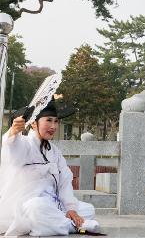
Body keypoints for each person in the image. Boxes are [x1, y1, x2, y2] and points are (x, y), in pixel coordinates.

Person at [0, 99, 103, 236]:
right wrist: (13, 132)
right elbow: (11, 149)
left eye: (56, 121)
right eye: (48, 120)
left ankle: (57, 223)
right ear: (33, 124)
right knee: (37, 207)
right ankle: (72, 225)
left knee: (88, 209)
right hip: (27, 205)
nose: (53, 126)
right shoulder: (24, 143)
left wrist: (70, 209)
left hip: (52, 203)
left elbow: (64, 182)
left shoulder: (55, 152)